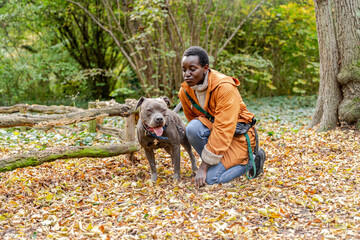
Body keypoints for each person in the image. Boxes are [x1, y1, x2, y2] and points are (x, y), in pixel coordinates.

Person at [178, 46, 266, 187]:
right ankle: (217, 164)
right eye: (184, 70)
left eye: (192, 69)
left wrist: (203, 167)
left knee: (211, 180)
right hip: (218, 137)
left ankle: (251, 160)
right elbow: (196, 122)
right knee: (192, 128)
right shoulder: (185, 92)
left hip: (239, 137)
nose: (187, 74)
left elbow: (223, 129)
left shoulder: (225, 87)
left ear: (205, 68)